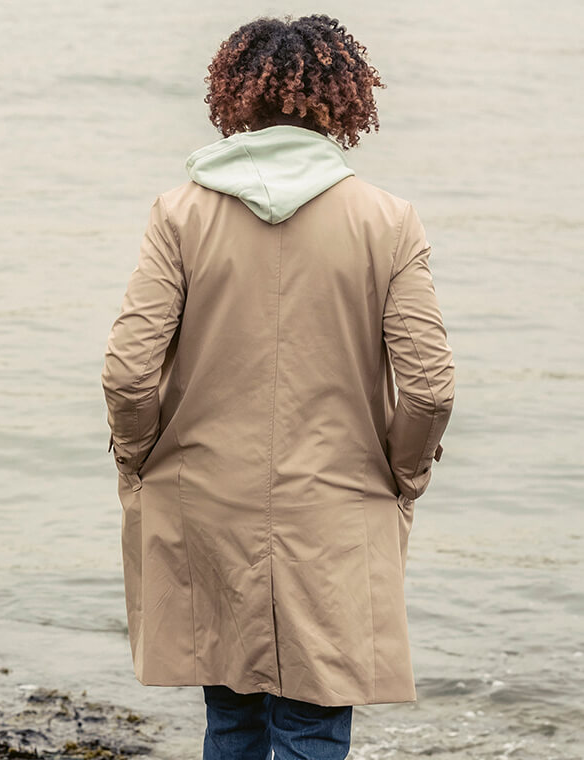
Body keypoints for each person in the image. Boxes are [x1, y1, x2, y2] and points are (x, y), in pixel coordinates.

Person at [101, 15, 454, 760]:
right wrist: (402, 476)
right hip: (337, 507)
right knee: (314, 726)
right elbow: (426, 389)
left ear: (235, 95)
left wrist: (138, 460)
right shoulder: (388, 222)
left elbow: (129, 372)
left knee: (231, 719)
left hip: (206, 503)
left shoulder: (180, 213)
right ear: (345, 99)